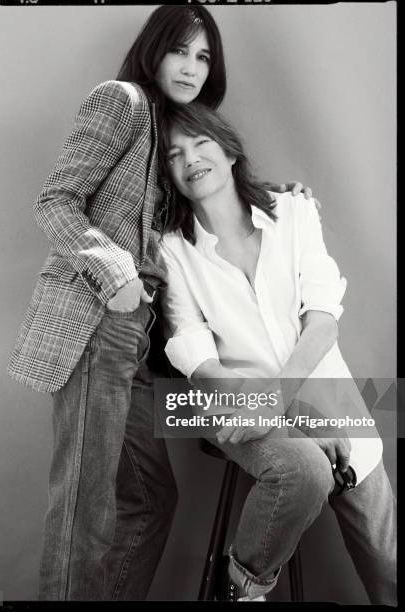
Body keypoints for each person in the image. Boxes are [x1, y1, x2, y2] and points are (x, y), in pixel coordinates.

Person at [7, 5, 314, 601]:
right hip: (100, 324)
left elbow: (204, 199)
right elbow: (56, 199)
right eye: (181, 50)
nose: (193, 67)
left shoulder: (172, 132)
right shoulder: (120, 101)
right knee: (84, 511)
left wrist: (274, 197)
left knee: (149, 501)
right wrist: (115, 269)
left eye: (204, 57)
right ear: (154, 49)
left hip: (143, 347)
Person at [159, 102, 397, 604]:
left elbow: (324, 320)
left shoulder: (293, 211)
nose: (190, 159)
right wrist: (282, 420)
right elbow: (197, 358)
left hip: (331, 403)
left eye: (201, 143)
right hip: (227, 404)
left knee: (388, 571)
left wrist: (287, 405)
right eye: (175, 153)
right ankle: (240, 588)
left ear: (229, 151)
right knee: (304, 468)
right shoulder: (172, 250)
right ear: (170, 175)